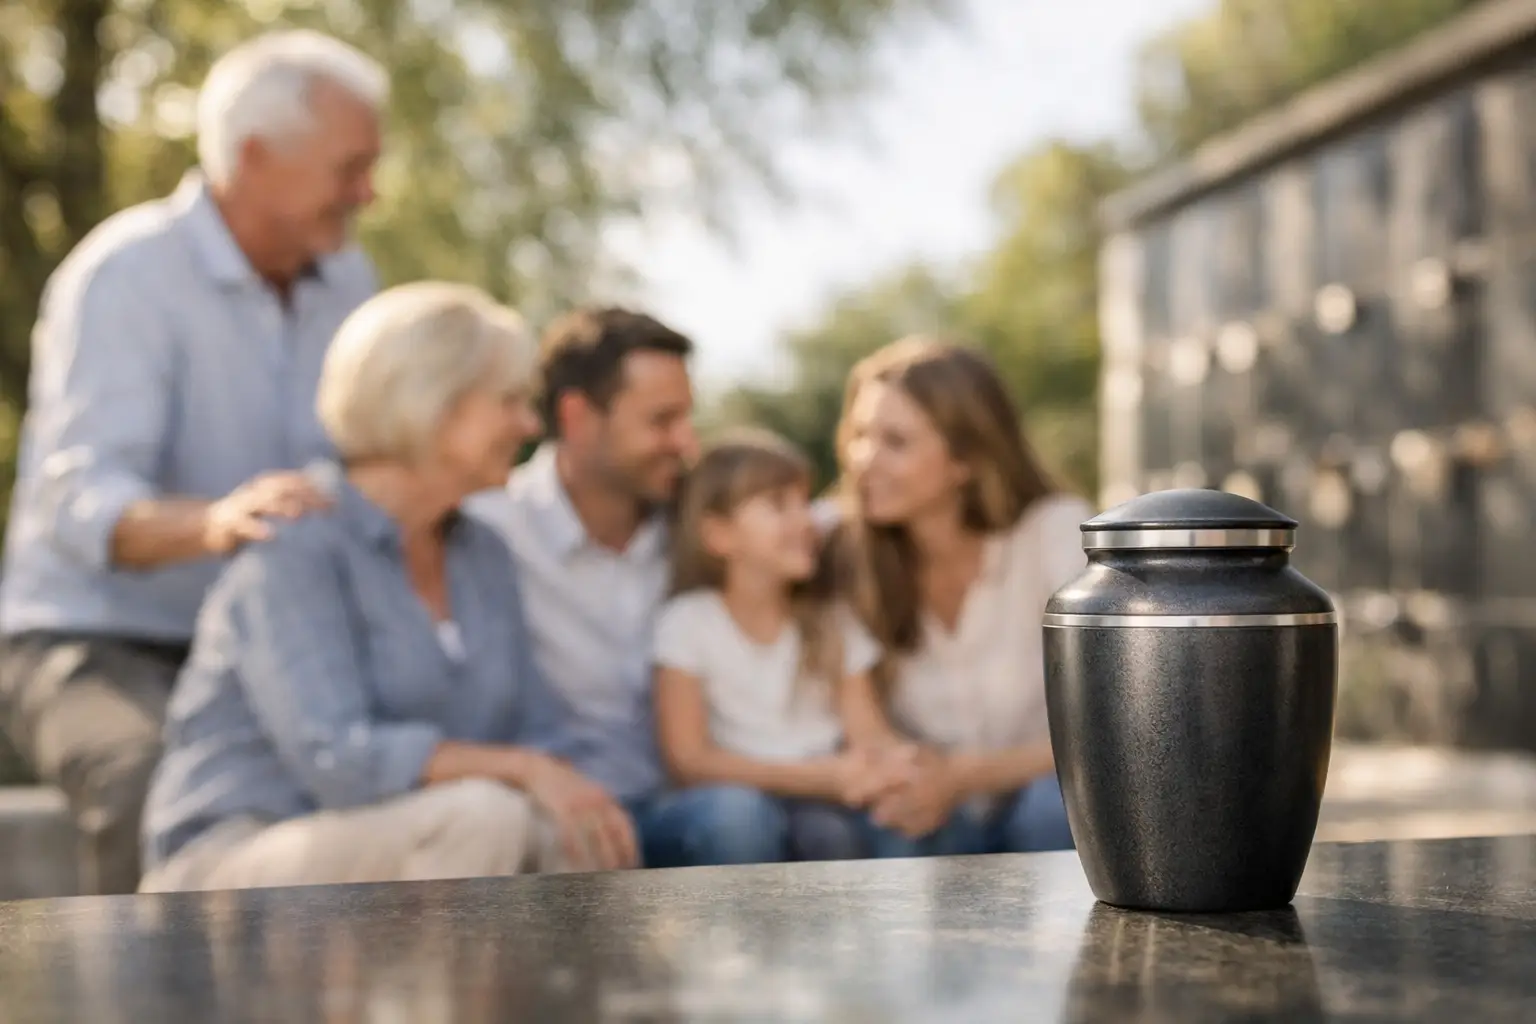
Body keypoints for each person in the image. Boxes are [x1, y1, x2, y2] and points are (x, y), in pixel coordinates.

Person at [0, 29, 385, 894]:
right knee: (155, 786)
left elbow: (360, 464)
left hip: (260, 633)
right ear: (254, 155)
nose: (368, 191)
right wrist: (212, 522)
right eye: (349, 166)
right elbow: (80, 499)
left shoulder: (350, 279)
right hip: (88, 639)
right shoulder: (127, 274)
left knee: (369, 778)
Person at [138, 282, 637, 893]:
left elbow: (535, 726)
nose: (529, 424)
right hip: (237, 859)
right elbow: (339, 760)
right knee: (482, 816)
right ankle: (432, 993)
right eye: (507, 401)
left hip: (397, 843)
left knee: (582, 832)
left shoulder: (484, 554)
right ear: (431, 401)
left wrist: (572, 785)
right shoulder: (296, 541)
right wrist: (522, 768)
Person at [826, 336, 1092, 857]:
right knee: (899, 824)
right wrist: (916, 778)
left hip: (1042, 793)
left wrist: (962, 777)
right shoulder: (843, 548)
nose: (863, 461)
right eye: (859, 435)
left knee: (1052, 807)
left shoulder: (1052, 533)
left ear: (964, 460)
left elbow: (1110, 725)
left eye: (895, 442)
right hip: (934, 811)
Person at [465, 307, 698, 865]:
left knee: (739, 818)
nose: (685, 443)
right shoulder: (487, 530)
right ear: (577, 417)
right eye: (662, 421)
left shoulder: (697, 526)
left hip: (680, 809)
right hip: (558, 819)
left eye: (688, 418)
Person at [649, 429, 911, 865]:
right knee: (746, 819)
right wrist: (816, 779)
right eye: (778, 504)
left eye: (804, 501)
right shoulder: (688, 623)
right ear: (718, 535)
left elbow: (869, 732)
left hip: (826, 802)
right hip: (746, 801)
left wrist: (895, 765)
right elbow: (689, 759)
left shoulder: (832, 622)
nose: (805, 519)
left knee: (878, 822)